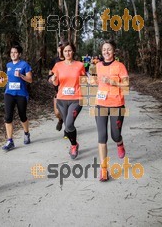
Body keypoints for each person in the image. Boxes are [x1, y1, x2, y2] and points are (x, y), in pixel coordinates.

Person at [92, 40, 129, 181]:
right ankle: (104, 170)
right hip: (101, 104)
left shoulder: (120, 66)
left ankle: (119, 143)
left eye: (109, 49)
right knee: (102, 136)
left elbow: (126, 84)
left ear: (114, 51)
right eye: (104, 49)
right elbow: (98, 81)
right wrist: (92, 81)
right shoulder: (98, 65)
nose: (106, 52)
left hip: (116, 105)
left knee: (115, 135)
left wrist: (114, 82)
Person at [50, 42, 86, 159]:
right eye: (65, 51)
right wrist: (53, 79)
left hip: (76, 99)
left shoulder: (80, 65)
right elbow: (55, 82)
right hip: (61, 99)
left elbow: (84, 80)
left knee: (69, 124)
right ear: (62, 52)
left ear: (73, 51)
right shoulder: (58, 65)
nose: (67, 53)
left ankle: (74, 146)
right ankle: (74, 144)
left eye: (69, 50)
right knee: (67, 127)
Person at [2, 44, 32, 151]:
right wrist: (3, 80)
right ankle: (10, 141)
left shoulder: (24, 65)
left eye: (15, 52)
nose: (13, 54)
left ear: (19, 54)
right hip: (9, 93)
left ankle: (26, 133)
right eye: (11, 52)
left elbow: (30, 79)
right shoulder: (8, 65)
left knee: (22, 115)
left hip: (21, 94)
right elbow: (8, 78)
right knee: (8, 116)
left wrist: (21, 76)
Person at [48, 42, 67, 138]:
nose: (60, 50)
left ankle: (67, 130)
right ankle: (60, 120)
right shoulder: (54, 61)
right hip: (57, 90)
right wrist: (51, 79)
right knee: (57, 113)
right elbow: (49, 75)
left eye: (62, 48)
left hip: (68, 91)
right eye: (59, 48)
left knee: (67, 112)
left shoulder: (70, 61)